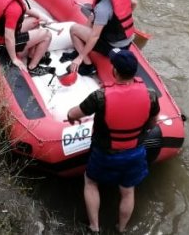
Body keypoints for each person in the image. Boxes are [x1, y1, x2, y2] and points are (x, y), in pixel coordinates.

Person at [65, 48, 160, 234]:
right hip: (134, 152)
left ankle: (94, 227)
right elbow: (153, 123)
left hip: (104, 153)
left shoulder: (100, 97)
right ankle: (121, 228)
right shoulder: (151, 95)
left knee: (91, 182)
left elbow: (73, 113)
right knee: (128, 190)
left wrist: (70, 117)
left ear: (114, 71)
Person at [67, 0, 137, 77]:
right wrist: (119, 20)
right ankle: (81, 46)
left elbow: (95, 36)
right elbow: (134, 3)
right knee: (91, 17)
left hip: (113, 46)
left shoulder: (102, 8)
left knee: (73, 30)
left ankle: (88, 65)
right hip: (128, 41)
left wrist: (80, 57)